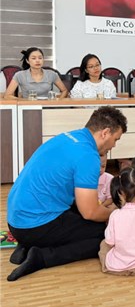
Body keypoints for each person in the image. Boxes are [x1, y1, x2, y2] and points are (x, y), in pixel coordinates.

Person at [6, 106, 127, 281]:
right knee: (107, 234)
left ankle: (26, 245)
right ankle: (41, 257)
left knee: (84, 217)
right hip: (34, 226)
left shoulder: (67, 137)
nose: (114, 145)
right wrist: (115, 215)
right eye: (116, 139)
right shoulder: (88, 155)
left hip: (16, 220)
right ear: (105, 133)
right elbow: (90, 212)